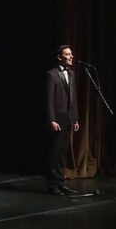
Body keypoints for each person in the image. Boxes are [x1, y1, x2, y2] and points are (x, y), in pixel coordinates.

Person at [46, 45, 80, 195]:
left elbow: (73, 98)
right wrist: (52, 120)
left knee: (63, 153)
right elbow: (48, 100)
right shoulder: (51, 75)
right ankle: (52, 184)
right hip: (57, 120)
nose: (71, 56)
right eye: (67, 54)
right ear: (59, 57)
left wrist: (75, 118)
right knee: (54, 153)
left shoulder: (71, 74)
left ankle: (60, 182)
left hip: (68, 119)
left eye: (71, 54)